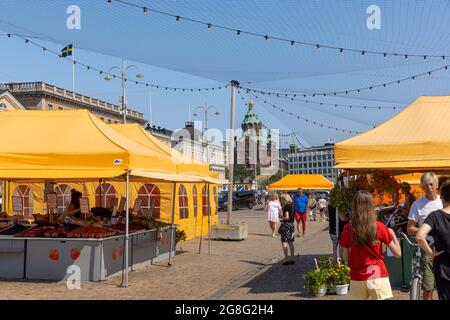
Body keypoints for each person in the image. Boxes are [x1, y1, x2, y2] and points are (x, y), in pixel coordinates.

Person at [340, 190, 401, 300]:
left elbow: (345, 257)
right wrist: (392, 234)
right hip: (377, 274)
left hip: (357, 275)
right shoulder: (379, 227)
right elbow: (397, 254)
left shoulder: (347, 229)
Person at [407, 172, 443, 300]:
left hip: (444, 247)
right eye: (425, 185)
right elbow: (410, 229)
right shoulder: (417, 205)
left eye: (431, 184)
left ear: (437, 185)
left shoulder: (444, 202)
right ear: (422, 187)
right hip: (427, 246)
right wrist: (426, 231)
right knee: (428, 286)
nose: (429, 187)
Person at [416, 179, 450, 300]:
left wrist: (431, 253)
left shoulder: (435, 216)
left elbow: (419, 236)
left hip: (443, 267)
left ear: (442, 197)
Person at [279, 193, 296, 265]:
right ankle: (292, 258)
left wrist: (281, 216)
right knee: (291, 242)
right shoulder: (293, 205)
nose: (281, 201)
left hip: (286, 225)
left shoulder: (286, 206)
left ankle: (286, 259)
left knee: (284, 242)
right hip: (292, 224)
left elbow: (286, 217)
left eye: (282, 200)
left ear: (285, 200)